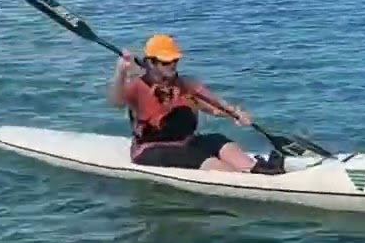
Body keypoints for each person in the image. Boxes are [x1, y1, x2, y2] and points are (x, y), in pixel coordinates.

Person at [107, 33, 285, 174]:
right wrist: (120, 73)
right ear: (151, 63)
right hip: (152, 149)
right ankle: (238, 179)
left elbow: (214, 106)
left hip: (187, 141)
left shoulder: (186, 84)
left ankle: (255, 170)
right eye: (166, 62)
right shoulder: (138, 86)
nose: (173, 65)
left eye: (175, 60)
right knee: (209, 161)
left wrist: (236, 114)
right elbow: (115, 102)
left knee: (219, 140)